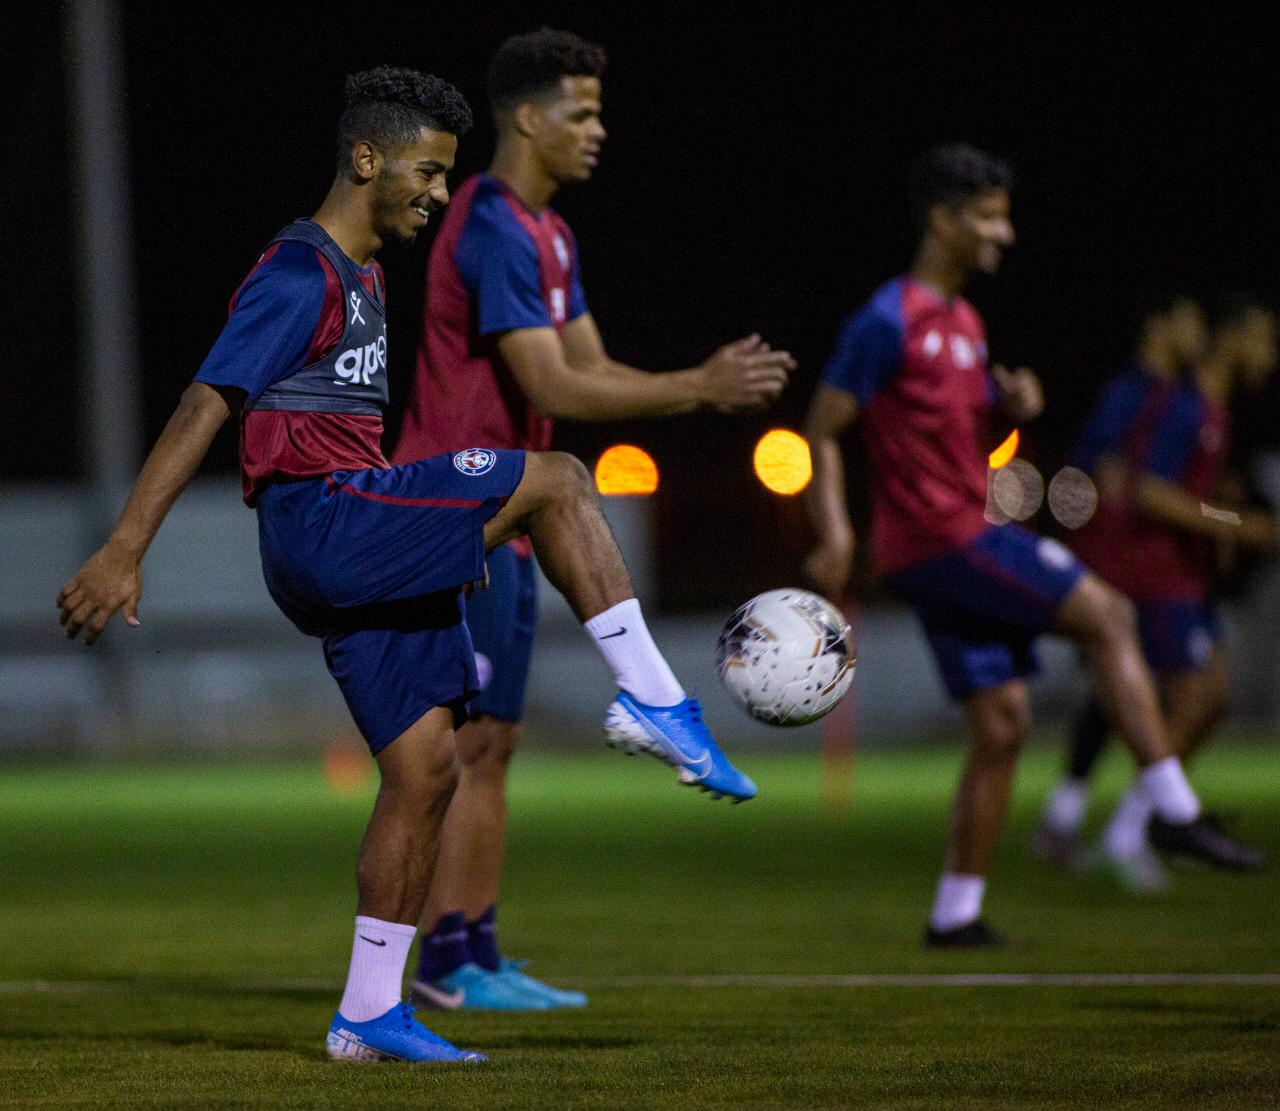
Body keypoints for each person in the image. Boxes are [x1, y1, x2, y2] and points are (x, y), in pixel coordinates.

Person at [57, 66, 756, 1064]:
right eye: (425, 173)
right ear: (365, 157)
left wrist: (429, 531)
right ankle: (654, 700)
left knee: (426, 771)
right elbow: (204, 404)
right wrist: (126, 546)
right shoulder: (300, 270)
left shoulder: (368, 277)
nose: (435, 193)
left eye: (446, 177)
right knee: (557, 477)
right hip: (322, 528)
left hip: (351, 533)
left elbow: (332, 428)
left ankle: (368, 1014)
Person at [392, 28, 794, 1011]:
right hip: (454, 510)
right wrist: (695, 388)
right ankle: (428, 964)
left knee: (490, 746)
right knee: (448, 752)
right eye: (582, 111)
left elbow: (594, 368)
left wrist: (692, 389)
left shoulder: (549, 234)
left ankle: (466, 954)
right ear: (526, 118)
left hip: (513, 519)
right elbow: (548, 380)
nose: (598, 130)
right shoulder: (488, 222)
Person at [801, 143, 1261, 948]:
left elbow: (962, 427)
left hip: (945, 542)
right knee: (1109, 613)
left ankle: (955, 912)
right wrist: (836, 530)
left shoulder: (966, 322)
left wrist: (1012, 400)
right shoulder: (887, 318)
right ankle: (1177, 813)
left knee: (1004, 723)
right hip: (944, 539)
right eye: (989, 216)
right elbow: (822, 427)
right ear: (943, 220)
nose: (1004, 234)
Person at [1036, 293, 1274, 888]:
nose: (1270, 356)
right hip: (1146, 569)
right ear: (1233, 337)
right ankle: (1138, 827)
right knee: (1194, 691)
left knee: (1161, 693)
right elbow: (1144, 488)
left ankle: (1118, 821)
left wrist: (1221, 511)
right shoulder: (1180, 403)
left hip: (1167, 569)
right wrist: (1231, 524)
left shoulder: (1204, 405)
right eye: (1265, 339)